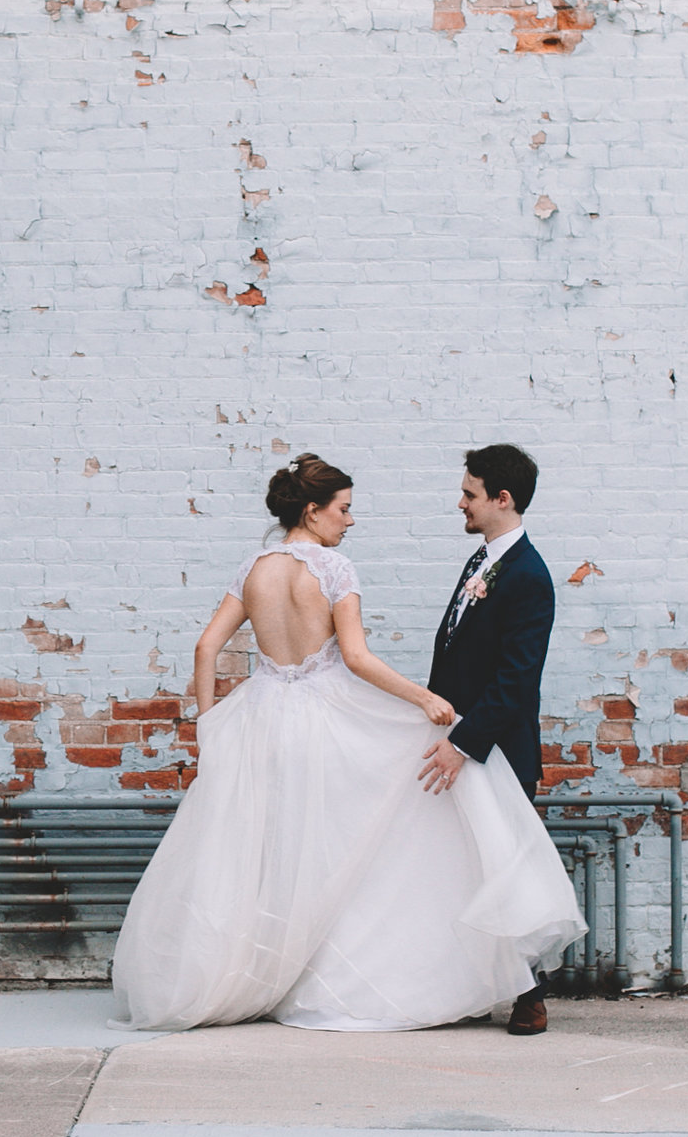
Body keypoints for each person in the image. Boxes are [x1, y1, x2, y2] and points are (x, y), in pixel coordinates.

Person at [111, 452, 584, 1032]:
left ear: (500, 499)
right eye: (344, 509)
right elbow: (356, 658)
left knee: (276, 849)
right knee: (354, 847)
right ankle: (408, 975)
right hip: (333, 718)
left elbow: (206, 649)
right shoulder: (340, 570)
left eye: (469, 493)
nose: (351, 521)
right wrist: (422, 703)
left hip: (266, 718)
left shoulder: (254, 567)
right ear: (313, 512)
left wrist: (210, 729)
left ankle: (517, 990)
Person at [419, 443, 560, 1034]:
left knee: (509, 873)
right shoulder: (481, 562)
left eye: (470, 494)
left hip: (496, 747)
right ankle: (469, 985)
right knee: (459, 870)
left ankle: (530, 994)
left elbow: (515, 679)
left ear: (502, 499)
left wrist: (464, 742)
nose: (461, 503)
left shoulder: (528, 576)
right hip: (456, 738)